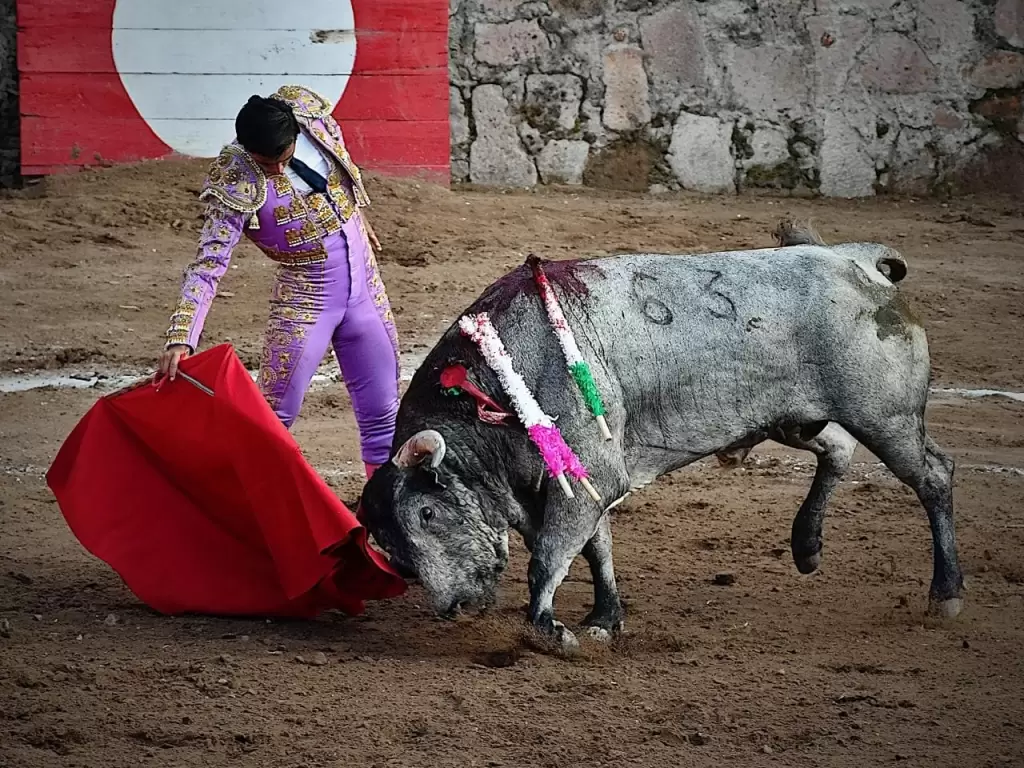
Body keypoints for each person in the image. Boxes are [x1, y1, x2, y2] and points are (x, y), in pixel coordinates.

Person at [157, 85, 400, 481]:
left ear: (294, 137)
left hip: (365, 287)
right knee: (273, 417)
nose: (273, 170)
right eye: (262, 161)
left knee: (383, 412)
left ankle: (385, 514)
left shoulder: (309, 113)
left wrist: (356, 213)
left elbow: (340, 162)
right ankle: (249, 512)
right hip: (306, 295)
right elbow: (209, 262)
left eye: (281, 159)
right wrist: (182, 334)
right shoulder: (235, 176)